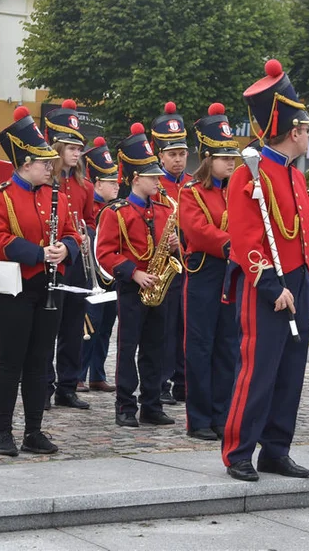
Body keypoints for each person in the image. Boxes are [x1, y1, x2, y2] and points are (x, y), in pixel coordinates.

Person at [223, 59, 309, 482]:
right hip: (266, 284)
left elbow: (301, 236)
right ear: (294, 131)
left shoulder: (296, 178)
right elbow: (246, 240)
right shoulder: (249, 173)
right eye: (307, 130)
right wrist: (271, 285)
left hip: (296, 280)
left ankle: (276, 449)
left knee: (291, 371)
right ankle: (239, 452)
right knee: (258, 370)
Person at [0, 106, 81, 456]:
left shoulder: (59, 197)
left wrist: (64, 249)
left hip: (49, 286)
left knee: (40, 361)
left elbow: (73, 235)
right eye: (44, 163)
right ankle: (4, 431)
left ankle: (34, 430)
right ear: (25, 163)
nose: (50, 168)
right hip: (14, 287)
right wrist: (40, 253)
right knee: (12, 360)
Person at [96, 123, 179, 429]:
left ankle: (152, 404)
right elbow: (104, 253)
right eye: (152, 176)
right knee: (128, 348)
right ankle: (125, 405)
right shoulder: (117, 212)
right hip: (133, 289)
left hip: (160, 286)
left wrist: (174, 247)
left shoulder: (163, 210)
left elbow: (173, 248)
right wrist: (134, 273)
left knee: (156, 347)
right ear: (135, 178)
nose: (159, 180)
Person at [178, 103, 240, 441]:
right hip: (205, 272)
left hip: (232, 274)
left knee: (227, 346)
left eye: (232, 156)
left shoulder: (239, 191)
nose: (230, 162)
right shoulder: (191, 192)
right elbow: (197, 230)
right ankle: (199, 419)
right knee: (200, 347)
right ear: (207, 158)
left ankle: (221, 414)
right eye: (223, 156)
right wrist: (234, 243)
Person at [43, 100, 93, 410]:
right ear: (58, 147)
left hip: (75, 263)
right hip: (51, 263)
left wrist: (86, 236)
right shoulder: (46, 181)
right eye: (71, 147)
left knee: (74, 328)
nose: (76, 153)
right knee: (49, 327)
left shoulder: (83, 185)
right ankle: (43, 385)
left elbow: (88, 219)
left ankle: (67, 385)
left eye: (79, 148)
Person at [151, 102, 191, 405]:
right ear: (160, 156)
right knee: (163, 329)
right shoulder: (153, 185)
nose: (177, 160)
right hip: (163, 264)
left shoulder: (192, 185)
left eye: (181, 154)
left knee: (187, 328)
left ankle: (183, 381)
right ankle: (160, 383)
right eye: (171, 155)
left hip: (190, 264)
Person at [79, 136, 119, 392]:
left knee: (106, 325)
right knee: (89, 326)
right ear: (96, 183)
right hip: (90, 276)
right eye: (111, 182)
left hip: (110, 275)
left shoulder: (115, 207)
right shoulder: (89, 206)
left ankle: (98, 373)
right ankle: (78, 375)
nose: (117, 187)